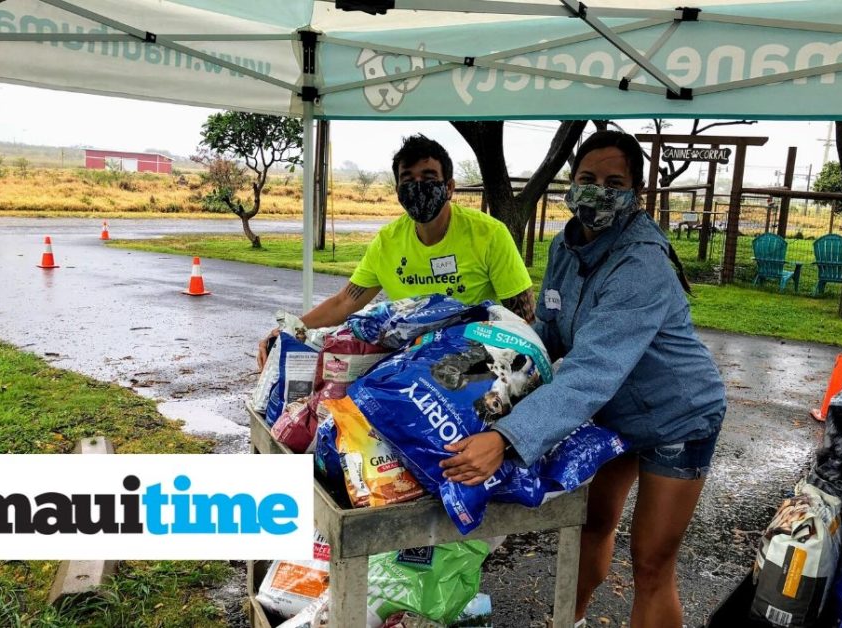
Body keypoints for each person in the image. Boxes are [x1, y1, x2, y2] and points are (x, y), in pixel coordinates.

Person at [439, 131, 726, 627]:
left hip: (679, 415)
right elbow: (548, 335)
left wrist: (506, 439)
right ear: (572, 182)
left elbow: (592, 368)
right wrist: (488, 376)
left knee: (651, 562)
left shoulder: (641, 262)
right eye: (587, 178)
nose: (597, 190)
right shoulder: (565, 247)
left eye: (614, 182)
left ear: (637, 192)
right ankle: (566, 621)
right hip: (617, 411)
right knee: (589, 525)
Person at [258, 134, 534, 368]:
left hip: (476, 361)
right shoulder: (388, 242)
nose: (417, 187)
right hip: (410, 359)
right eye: (407, 180)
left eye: (428, 177)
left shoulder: (489, 235)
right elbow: (345, 302)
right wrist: (293, 330)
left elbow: (523, 319)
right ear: (398, 190)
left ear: (449, 187)